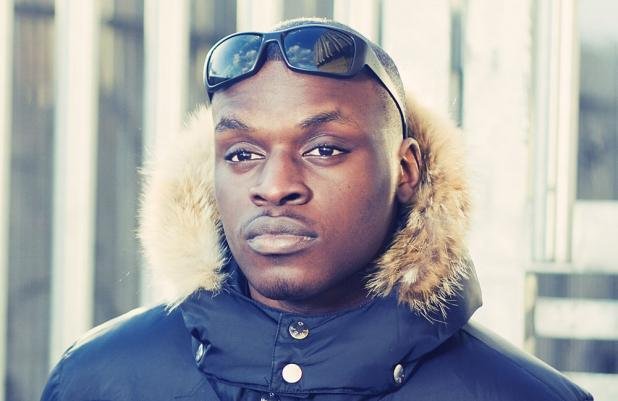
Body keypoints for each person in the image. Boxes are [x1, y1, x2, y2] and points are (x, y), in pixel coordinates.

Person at [41, 18, 593, 401]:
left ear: (406, 171)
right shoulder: (95, 380)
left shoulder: (524, 396)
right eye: (242, 154)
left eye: (324, 149)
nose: (274, 187)